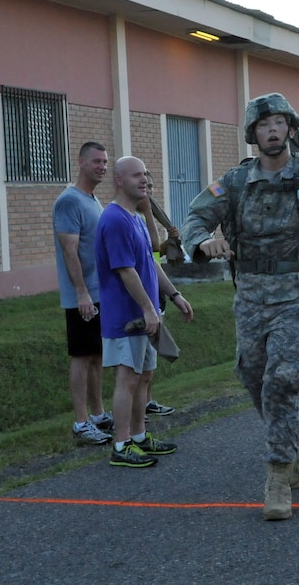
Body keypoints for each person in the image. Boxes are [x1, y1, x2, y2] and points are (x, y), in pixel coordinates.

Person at [181, 90, 299, 520]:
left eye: (279, 124)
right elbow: (194, 218)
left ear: (290, 129)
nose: (273, 131)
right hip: (250, 294)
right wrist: (203, 240)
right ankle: (296, 445)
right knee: (252, 376)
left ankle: (277, 477)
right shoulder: (233, 182)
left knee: (282, 380)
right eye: (264, 125)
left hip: (296, 294)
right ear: (253, 134)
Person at [96, 156, 194, 468]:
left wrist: (174, 296)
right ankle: (121, 445)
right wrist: (149, 310)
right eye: (136, 175)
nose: (143, 180)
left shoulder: (136, 216)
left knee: (144, 376)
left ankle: (139, 436)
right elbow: (126, 271)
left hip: (146, 314)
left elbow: (149, 263)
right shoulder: (114, 219)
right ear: (119, 181)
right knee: (127, 379)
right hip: (126, 317)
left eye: (146, 176)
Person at [52, 141, 114, 445]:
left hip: (99, 293)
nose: (102, 166)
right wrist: (81, 293)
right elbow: (69, 250)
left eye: (104, 162)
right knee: (81, 356)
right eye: (96, 162)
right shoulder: (70, 201)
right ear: (81, 162)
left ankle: (99, 414)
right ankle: (80, 422)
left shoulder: (92, 200)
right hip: (82, 295)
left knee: (97, 355)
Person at [141, 170, 177, 418]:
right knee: (142, 355)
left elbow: (156, 254)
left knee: (152, 356)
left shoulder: (150, 217)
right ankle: (138, 406)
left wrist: (170, 241)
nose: (150, 191)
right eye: (146, 186)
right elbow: (149, 249)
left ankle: (149, 401)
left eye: (152, 186)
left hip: (157, 288)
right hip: (142, 291)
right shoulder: (135, 217)